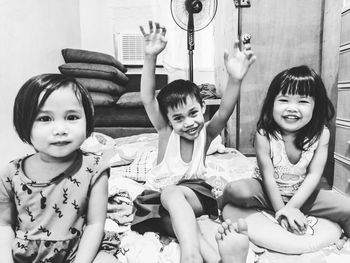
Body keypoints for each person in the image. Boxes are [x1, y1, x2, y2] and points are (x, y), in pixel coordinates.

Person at [131, 21, 256, 263]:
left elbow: (225, 111)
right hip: (156, 200)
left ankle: (189, 257)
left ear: (202, 109)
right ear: (168, 121)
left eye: (193, 113)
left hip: (195, 194)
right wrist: (150, 57)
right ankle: (216, 259)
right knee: (177, 224)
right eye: (178, 118)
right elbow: (147, 98)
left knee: (173, 195)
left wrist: (235, 78)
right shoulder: (166, 133)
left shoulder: (206, 135)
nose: (188, 122)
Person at [0, 74, 120, 263]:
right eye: (45, 118)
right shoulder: (10, 173)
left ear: (87, 121)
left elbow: (95, 224)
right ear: (24, 124)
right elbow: (4, 225)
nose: (60, 129)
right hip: (27, 254)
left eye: (72, 117)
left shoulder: (95, 168)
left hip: (80, 251)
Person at [220, 65, 350, 237]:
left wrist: (291, 208)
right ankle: (219, 202)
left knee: (347, 208)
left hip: (302, 193)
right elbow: (268, 178)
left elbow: (313, 176)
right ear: (271, 102)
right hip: (265, 191)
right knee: (235, 190)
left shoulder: (322, 134)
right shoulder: (264, 134)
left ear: (316, 106)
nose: (292, 108)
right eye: (284, 100)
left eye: (302, 101)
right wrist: (281, 211)